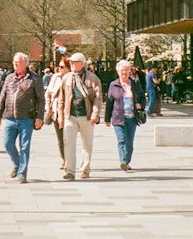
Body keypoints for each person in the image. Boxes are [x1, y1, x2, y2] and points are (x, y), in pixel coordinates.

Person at [0, 52, 44, 184]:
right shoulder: (10, 78)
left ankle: (22, 173)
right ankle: (17, 165)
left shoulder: (34, 79)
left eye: (18, 62)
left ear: (25, 63)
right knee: (7, 143)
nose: (15, 64)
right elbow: (3, 96)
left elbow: (41, 99)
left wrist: (40, 117)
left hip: (26, 118)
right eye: (14, 62)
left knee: (24, 146)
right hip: (10, 117)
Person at [57, 52, 103, 180]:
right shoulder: (66, 78)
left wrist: (95, 114)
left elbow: (98, 98)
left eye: (74, 62)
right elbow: (62, 98)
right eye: (70, 62)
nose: (71, 64)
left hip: (86, 116)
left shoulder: (92, 78)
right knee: (68, 143)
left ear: (81, 64)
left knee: (87, 144)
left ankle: (85, 169)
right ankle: (70, 171)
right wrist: (61, 116)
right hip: (70, 115)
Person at [105, 59, 145, 173]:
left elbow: (142, 97)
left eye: (127, 70)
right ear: (118, 72)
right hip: (118, 117)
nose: (124, 72)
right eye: (122, 70)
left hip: (132, 118)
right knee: (122, 140)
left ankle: (127, 161)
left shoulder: (135, 84)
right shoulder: (114, 85)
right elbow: (109, 102)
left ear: (130, 72)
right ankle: (123, 161)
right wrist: (107, 118)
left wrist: (140, 105)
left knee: (130, 142)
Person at [43, 59, 70, 171]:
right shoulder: (55, 77)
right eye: (59, 66)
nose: (60, 68)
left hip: (68, 112)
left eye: (62, 66)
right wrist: (48, 106)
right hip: (56, 111)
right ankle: (64, 159)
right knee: (60, 138)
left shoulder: (72, 78)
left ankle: (70, 160)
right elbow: (48, 93)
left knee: (68, 138)